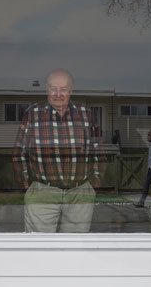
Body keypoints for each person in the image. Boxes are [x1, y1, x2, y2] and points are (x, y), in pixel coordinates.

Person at [12, 69, 104, 233]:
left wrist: (94, 184)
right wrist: (27, 184)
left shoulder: (86, 114)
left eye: (63, 89)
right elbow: (19, 152)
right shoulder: (33, 114)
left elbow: (99, 152)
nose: (58, 94)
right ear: (47, 89)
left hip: (80, 192)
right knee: (39, 247)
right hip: (43, 191)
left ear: (71, 90)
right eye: (53, 88)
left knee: (75, 248)